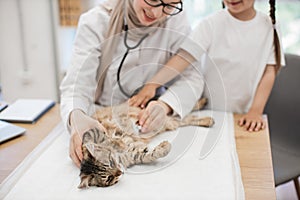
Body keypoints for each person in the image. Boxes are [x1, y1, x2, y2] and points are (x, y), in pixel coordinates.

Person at [60, 0, 203, 167]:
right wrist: (77, 118)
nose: (156, 13)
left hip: (145, 121)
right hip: (102, 118)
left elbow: (193, 77)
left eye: (169, 5)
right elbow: (76, 86)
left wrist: (165, 105)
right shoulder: (96, 22)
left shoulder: (175, 21)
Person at [129, 0, 285, 132]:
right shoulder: (211, 23)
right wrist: (152, 84)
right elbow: (184, 58)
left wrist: (255, 111)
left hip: (243, 116)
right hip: (206, 113)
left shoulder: (269, 27)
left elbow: (269, 72)